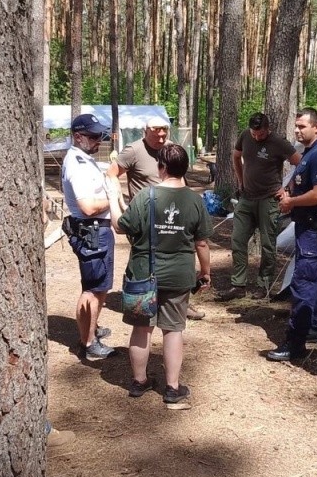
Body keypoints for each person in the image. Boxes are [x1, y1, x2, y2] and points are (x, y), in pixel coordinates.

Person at [107, 144, 213, 404]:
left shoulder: (145, 196)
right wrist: (206, 272)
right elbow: (201, 243)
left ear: (161, 167)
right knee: (173, 330)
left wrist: (112, 197)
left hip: (143, 275)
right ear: (185, 168)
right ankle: (173, 387)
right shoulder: (195, 200)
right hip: (179, 276)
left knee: (142, 329)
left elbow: (121, 227)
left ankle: (139, 381)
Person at [106, 116, 206, 321]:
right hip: (144, 217)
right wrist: (120, 200)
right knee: (148, 259)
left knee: (179, 254)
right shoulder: (133, 150)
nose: (161, 139)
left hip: (174, 212)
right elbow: (111, 174)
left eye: (164, 133)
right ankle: (144, 303)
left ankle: (179, 303)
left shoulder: (171, 148)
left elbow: (181, 177)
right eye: (156, 134)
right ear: (145, 131)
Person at [267, 108, 317, 362]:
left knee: (304, 283)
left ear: (316, 127)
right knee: (314, 276)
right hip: (306, 227)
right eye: (296, 126)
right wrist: (286, 194)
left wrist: (292, 202)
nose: (297, 130)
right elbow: (300, 184)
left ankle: (295, 344)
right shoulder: (308, 154)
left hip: (314, 228)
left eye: (302, 126)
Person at [215, 112, 301, 301]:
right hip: (247, 198)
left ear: (267, 129)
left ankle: (263, 285)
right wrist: (240, 181)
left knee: (268, 244)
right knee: (238, 239)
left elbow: (300, 163)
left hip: (269, 199)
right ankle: (238, 285)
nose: (257, 137)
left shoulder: (278, 142)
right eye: (254, 134)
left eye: (260, 135)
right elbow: (236, 156)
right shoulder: (245, 135)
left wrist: (287, 189)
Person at [62, 113, 117, 361]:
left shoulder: (83, 158)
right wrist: (113, 197)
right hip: (91, 229)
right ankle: (88, 342)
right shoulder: (77, 164)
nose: (99, 141)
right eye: (94, 136)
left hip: (95, 230)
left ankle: (91, 329)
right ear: (78, 136)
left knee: (99, 286)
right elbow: (86, 206)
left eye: (100, 136)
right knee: (93, 289)